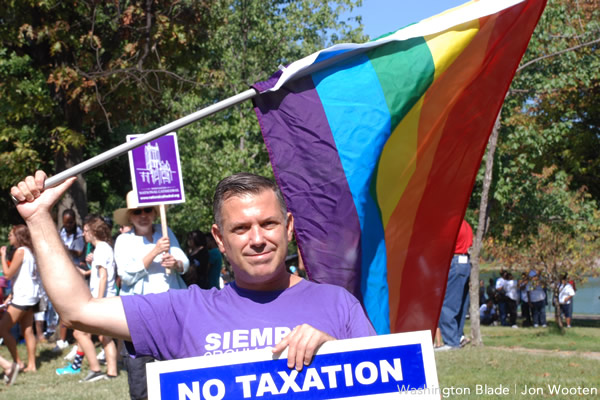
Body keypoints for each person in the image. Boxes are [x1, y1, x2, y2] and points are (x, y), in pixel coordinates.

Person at [11, 171, 375, 373]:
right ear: (219, 238)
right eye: (240, 229)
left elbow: (394, 387)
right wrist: (39, 219)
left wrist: (340, 357)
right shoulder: (185, 311)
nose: (257, 239)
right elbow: (77, 310)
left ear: (289, 227)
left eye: (268, 224)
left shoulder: (339, 304)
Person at [113, 190, 190, 399]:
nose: (143, 215)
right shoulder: (123, 240)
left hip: (171, 309)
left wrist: (176, 263)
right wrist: (155, 251)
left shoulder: (165, 232)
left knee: (177, 370)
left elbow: (184, 261)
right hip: (138, 314)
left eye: (147, 210)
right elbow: (126, 275)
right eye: (137, 212)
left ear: (155, 213)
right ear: (130, 217)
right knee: (140, 378)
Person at [56, 216, 118, 382]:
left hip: (101, 300)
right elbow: (100, 273)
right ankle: (112, 372)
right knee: (104, 337)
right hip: (106, 299)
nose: (83, 234)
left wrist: (97, 301)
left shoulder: (101, 249)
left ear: (93, 232)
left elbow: (103, 277)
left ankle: (95, 369)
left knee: (80, 333)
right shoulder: (103, 248)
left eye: (85, 231)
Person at [0, 225, 40, 372]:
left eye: (11, 234)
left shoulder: (20, 251)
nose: (9, 237)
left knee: (2, 329)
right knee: (27, 330)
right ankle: (32, 365)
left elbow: (7, 274)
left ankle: (18, 362)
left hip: (23, 297)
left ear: (19, 236)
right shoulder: (31, 251)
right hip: (33, 296)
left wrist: (3, 256)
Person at [53, 209, 86, 353]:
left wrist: (65, 249)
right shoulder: (60, 232)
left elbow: (79, 252)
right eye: (66, 222)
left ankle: (78, 339)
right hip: (61, 272)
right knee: (62, 306)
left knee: (75, 306)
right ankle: (62, 340)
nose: (68, 225)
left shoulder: (79, 234)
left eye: (71, 222)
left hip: (76, 273)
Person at [437, 219, 472, 351]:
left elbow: (443, 243)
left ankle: (451, 342)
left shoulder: (452, 223)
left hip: (454, 261)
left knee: (447, 304)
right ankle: (457, 338)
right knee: (460, 304)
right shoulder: (466, 224)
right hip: (465, 262)